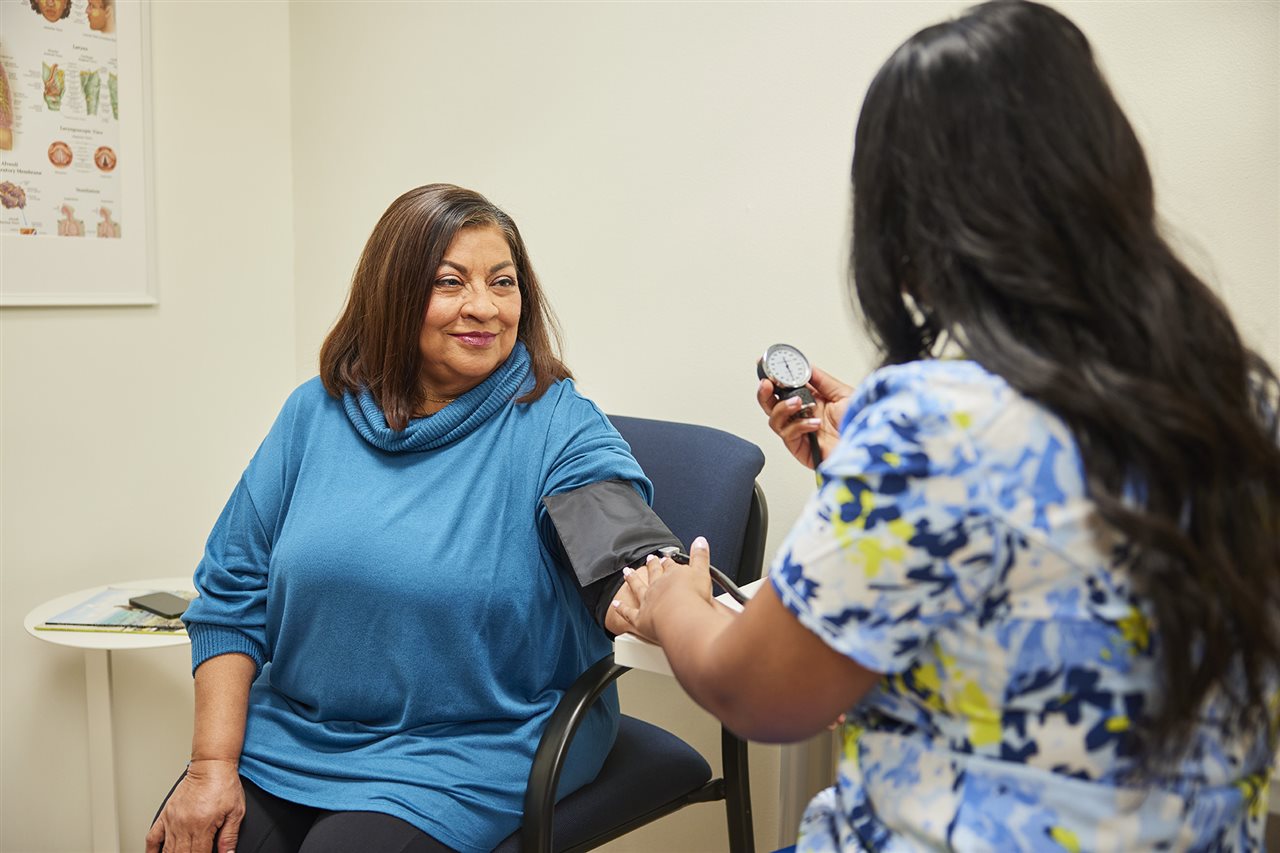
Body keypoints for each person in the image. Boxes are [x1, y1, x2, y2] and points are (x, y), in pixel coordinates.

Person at [615, 2, 1280, 850]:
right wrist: (870, 468)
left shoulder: (936, 426)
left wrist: (678, 601)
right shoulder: (1235, 403)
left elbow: (760, 695)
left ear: (909, 222)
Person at [147, 184, 669, 853]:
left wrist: (646, 591)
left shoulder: (556, 424)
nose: (483, 306)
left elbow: (620, 549)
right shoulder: (315, 414)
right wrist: (212, 766)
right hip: (299, 734)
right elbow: (231, 592)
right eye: (449, 282)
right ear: (392, 295)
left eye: (502, 282)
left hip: (474, 746)